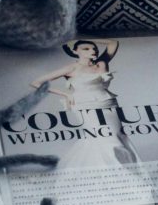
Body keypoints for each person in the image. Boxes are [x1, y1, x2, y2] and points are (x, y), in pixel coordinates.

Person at [29, 38, 140, 167]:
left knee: (118, 136)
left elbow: (113, 43)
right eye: (86, 49)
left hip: (109, 104)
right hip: (84, 105)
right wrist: (66, 94)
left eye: (94, 48)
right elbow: (36, 83)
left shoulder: (102, 62)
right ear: (76, 51)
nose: (93, 50)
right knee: (108, 140)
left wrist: (84, 39)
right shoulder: (71, 68)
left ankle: (108, 172)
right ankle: (121, 176)